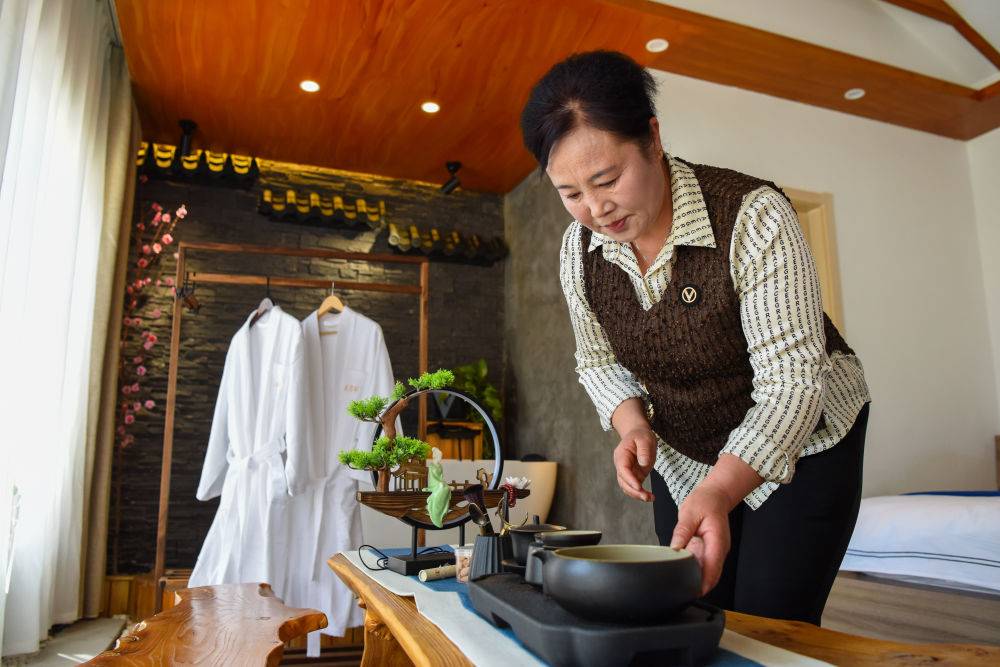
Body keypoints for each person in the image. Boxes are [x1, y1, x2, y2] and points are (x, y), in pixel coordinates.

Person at [519, 50, 871, 625]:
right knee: (691, 611)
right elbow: (598, 361)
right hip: (686, 456)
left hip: (806, 438)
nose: (595, 209)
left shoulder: (752, 215)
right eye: (570, 192)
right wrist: (631, 424)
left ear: (653, 138)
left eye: (607, 180)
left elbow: (792, 383)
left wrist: (722, 490)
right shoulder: (578, 251)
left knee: (771, 621)